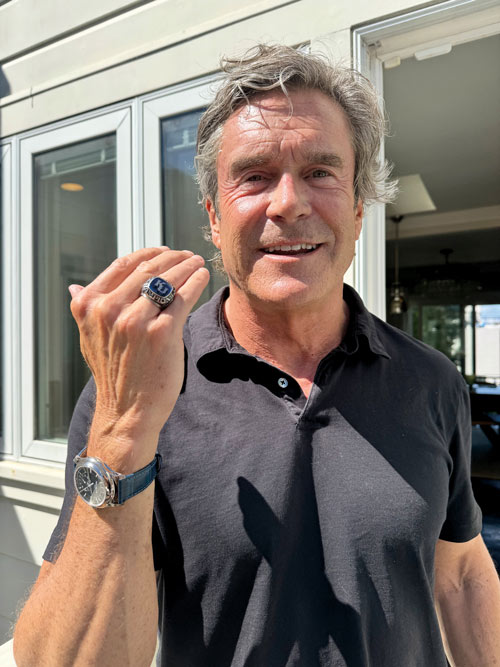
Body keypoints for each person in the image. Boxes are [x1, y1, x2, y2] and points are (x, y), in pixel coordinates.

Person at [14, 44, 500, 667]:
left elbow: (461, 570)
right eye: (254, 176)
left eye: (320, 172)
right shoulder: (138, 385)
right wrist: (125, 428)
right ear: (214, 219)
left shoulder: (431, 379)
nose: (288, 203)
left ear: (358, 209)